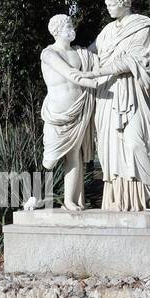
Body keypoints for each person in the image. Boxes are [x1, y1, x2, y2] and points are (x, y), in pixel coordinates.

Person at [71, 0, 150, 211]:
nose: (109, 8)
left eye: (112, 4)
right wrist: (65, 51)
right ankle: (118, 198)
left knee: (137, 143)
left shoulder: (141, 27)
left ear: (125, 2)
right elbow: (90, 54)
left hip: (133, 93)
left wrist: (96, 72)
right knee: (110, 149)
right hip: (108, 95)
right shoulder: (107, 30)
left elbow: (133, 60)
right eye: (106, 4)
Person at [37, 14, 101, 209]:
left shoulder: (81, 53)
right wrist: (97, 82)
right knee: (50, 159)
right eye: (67, 25)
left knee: (74, 156)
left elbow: (101, 48)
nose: (71, 29)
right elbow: (71, 75)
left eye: (72, 25)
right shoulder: (48, 54)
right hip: (57, 114)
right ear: (56, 30)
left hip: (79, 111)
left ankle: (70, 200)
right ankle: (35, 196)